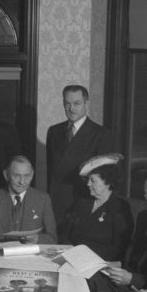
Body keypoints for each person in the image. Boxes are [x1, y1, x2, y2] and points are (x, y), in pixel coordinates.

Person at [46, 85, 110, 227]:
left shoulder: (100, 134)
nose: (71, 108)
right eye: (67, 103)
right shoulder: (54, 131)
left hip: (83, 201)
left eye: (76, 103)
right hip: (57, 202)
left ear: (86, 103)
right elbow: (50, 173)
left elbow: (104, 177)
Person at [61, 154, 133, 261]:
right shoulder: (82, 203)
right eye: (88, 180)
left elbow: (119, 248)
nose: (88, 184)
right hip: (72, 258)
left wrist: (88, 259)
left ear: (107, 182)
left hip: (100, 264)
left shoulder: (120, 207)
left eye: (93, 180)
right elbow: (65, 233)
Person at [0, 155, 57, 244]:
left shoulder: (43, 199)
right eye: (17, 176)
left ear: (32, 175)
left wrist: (38, 239)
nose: (22, 182)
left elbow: (53, 238)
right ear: (6, 175)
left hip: (31, 256)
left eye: (26, 176)